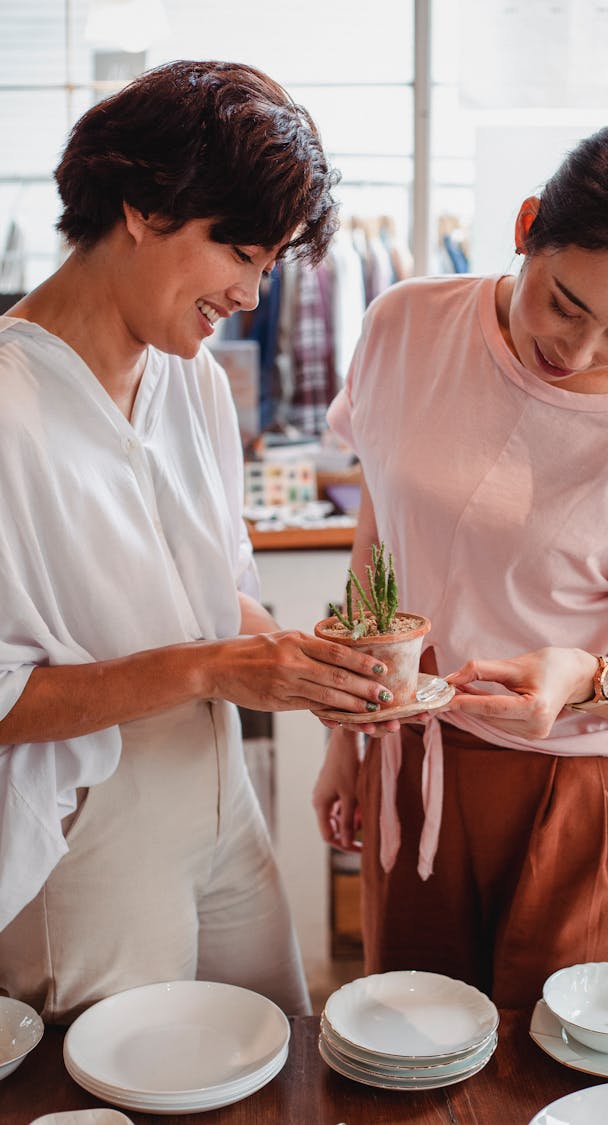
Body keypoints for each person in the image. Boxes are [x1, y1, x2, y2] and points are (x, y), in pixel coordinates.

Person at [0, 59, 394, 1024]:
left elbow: (221, 601)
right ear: (141, 205)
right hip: (88, 823)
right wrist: (213, 666)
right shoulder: (9, 409)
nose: (253, 295)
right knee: (120, 1091)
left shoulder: (195, 382)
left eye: (268, 267)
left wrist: (320, 665)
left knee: (276, 1062)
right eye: (241, 253)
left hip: (221, 791)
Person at [313, 120, 608, 1009]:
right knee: (410, 1056)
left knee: (560, 1081)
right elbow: (381, 530)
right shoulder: (405, 324)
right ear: (528, 225)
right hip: (414, 759)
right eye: (565, 304)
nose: (576, 353)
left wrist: (580, 675)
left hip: (576, 792)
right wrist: (349, 733)